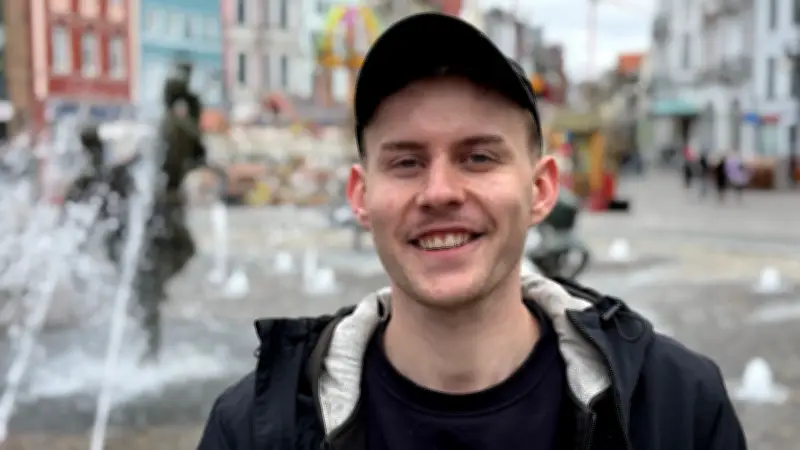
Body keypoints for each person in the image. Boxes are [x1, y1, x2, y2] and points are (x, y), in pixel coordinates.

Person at [198, 13, 746, 450]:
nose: (440, 192)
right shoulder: (253, 431)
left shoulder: (674, 407)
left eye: (478, 157)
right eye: (406, 162)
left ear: (541, 190)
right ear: (361, 197)